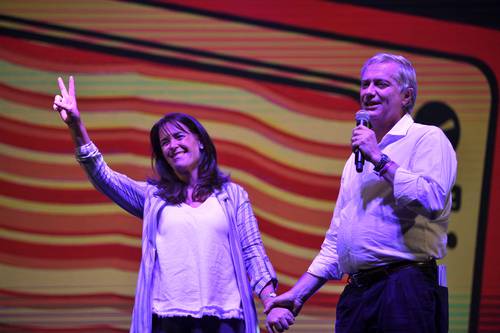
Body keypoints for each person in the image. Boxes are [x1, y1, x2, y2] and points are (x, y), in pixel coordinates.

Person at [52, 76, 295, 333]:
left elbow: (252, 252)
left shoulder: (232, 196)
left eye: (179, 136)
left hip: (226, 320)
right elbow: (104, 176)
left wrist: (271, 302)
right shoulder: (154, 198)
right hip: (168, 321)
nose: (172, 145)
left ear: (200, 141)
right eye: (164, 142)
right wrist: (76, 127)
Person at [265, 53, 457, 333]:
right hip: (358, 293)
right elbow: (337, 239)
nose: (369, 92)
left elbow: (432, 200)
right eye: (365, 84)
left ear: (406, 96)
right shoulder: (354, 160)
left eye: (381, 84)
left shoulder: (427, 138)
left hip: (404, 288)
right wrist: (298, 294)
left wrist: (379, 159)